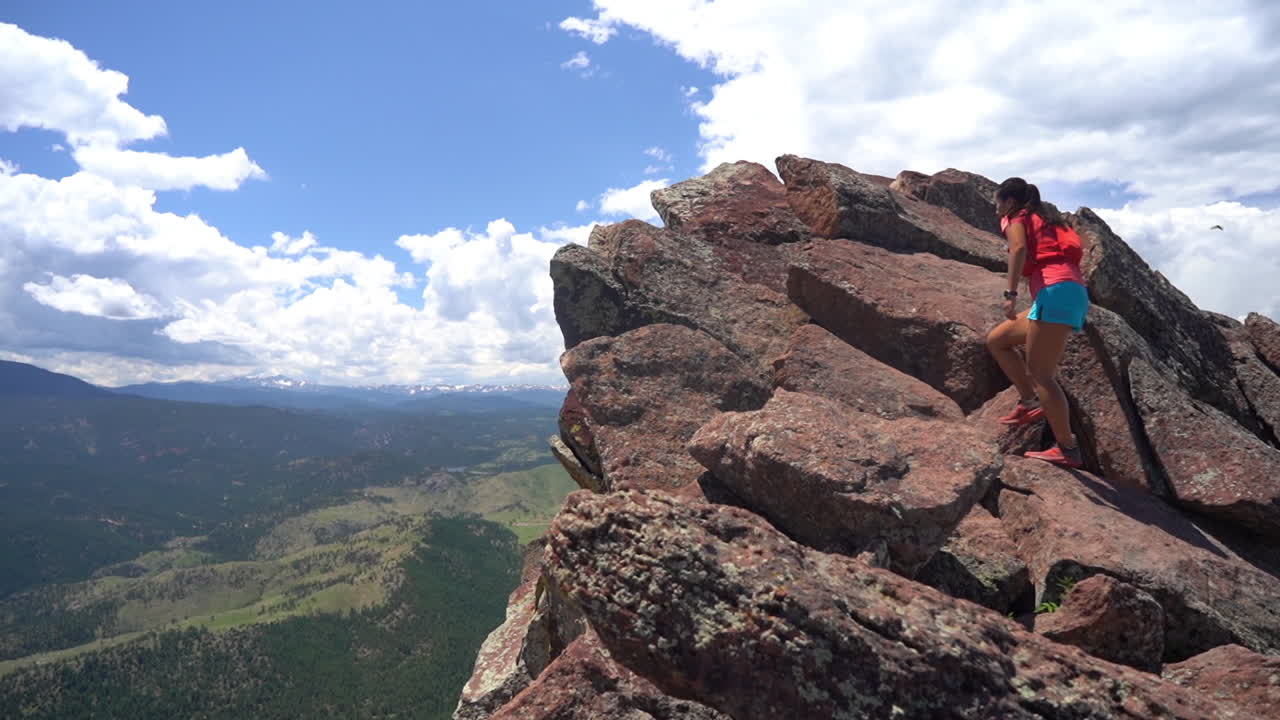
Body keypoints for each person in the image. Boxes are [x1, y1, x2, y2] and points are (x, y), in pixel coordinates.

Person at [985, 177, 1089, 468]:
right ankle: (1029, 402)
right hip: (1068, 292)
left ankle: (1067, 449)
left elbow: (1018, 250)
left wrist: (1010, 293)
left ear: (1009, 202)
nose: (996, 210)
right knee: (998, 340)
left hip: (1055, 293)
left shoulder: (1015, 218)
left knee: (1042, 373)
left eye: (997, 203)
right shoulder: (1047, 218)